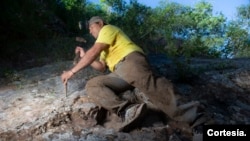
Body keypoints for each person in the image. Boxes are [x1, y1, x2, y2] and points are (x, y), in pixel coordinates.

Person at [61, 16, 200, 132]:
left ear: (100, 23)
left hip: (130, 61)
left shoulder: (108, 29)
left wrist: (72, 71)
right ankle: (128, 110)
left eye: (91, 27)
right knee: (93, 85)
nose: (90, 31)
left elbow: (95, 51)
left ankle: (198, 120)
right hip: (119, 72)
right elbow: (101, 67)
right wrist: (84, 54)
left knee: (153, 87)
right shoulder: (104, 48)